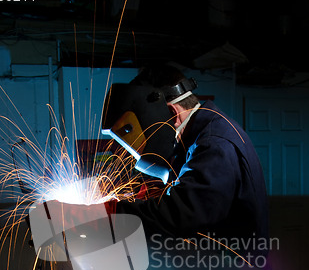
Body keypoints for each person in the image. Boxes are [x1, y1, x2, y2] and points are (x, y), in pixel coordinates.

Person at [104, 64, 269, 259]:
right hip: (217, 269)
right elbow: (180, 178)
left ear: (172, 114)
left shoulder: (214, 144)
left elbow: (184, 214)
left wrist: (110, 213)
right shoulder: (197, 136)